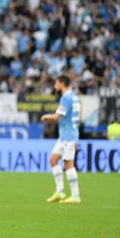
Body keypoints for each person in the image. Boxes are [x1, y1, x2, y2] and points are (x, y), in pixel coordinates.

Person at [41, 75, 82, 204]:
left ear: (61, 84)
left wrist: (45, 117)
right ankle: (60, 192)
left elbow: (56, 117)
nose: (55, 86)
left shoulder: (66, 98)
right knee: (53, 160)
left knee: (68, 163)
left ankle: (75, 195)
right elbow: (79, 117)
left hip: (68, 137)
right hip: (65, 136)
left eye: (56, 83)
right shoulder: (75, 97)